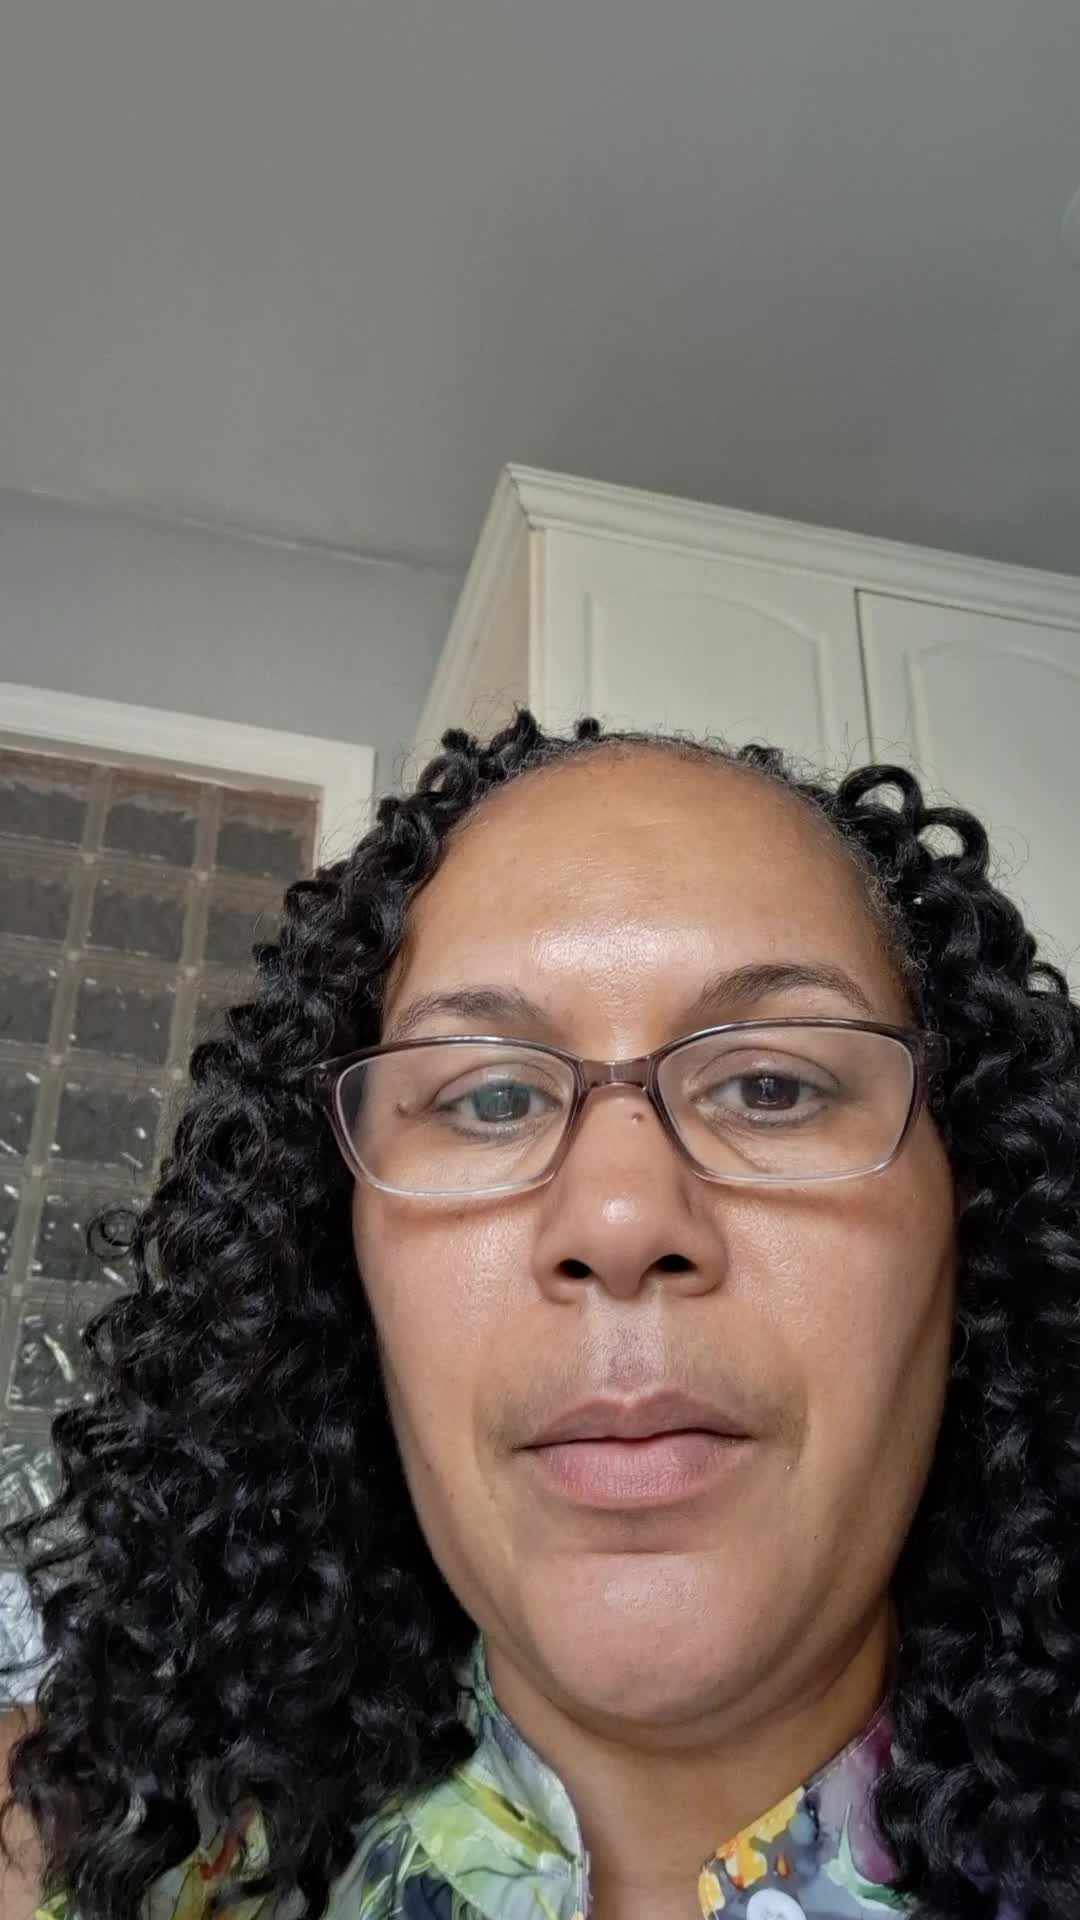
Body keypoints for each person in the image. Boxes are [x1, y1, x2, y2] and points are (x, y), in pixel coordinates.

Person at [4, 710, 1078, 1920]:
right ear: (334, 1261)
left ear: (972, 1214)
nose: (618, 1217)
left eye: (771, 1086)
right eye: (491, 1098)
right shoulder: (101, 1858)